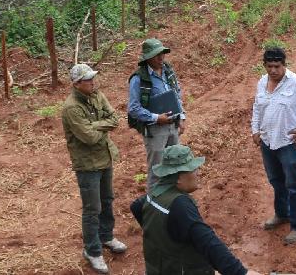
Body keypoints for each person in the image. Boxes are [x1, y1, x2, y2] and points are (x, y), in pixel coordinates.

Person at [130, 145, 264, 275]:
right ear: (179, 178)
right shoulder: (180, 205)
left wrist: (162, 236)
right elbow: (207, 242)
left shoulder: (154, 193)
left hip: (157, 268)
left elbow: (135, 206)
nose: (197, 173)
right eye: (193, 169)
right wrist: (240, 272)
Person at [251, 46, 296, 245]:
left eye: (277, 66)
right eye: (269, 66)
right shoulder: (262, 82)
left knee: (295, 185)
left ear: (284, 65)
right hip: (268, 141)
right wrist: (255, 130)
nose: (273, 70)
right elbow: (257, 107)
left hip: (289, 144)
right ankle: (282, 214)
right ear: (264, 66)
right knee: (276, 180)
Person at [62, 63, 127, 274]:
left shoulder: (97, 95)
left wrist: (96, 125)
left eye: (92, 78)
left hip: (105, 157)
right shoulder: (71, 107)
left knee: (107, 200)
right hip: (88, 164)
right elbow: (88, 138)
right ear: (77, 84)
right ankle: (92, 250)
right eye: (88, 79)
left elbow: (115, 119)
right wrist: (101, 126)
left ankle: (106, 236)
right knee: (92, 209)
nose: (93, 81)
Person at [128, 38, 187, 192]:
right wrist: (156, 118)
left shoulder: (168, 70)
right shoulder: (138, 78)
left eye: (162, 54)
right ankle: (154, 208)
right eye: (156, 55)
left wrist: (181, 116)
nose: (161, 58)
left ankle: (172, 202)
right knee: (157, 170)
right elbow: (133, 108)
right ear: (147, 58)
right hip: (155, 131)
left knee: (176, 164)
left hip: (172, 125)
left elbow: (177, 93)